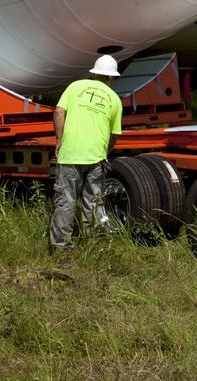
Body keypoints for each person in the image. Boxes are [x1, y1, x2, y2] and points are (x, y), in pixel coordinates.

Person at [49, 54, 124, 252]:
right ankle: (90, 243)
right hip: (97, 157)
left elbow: (58, 112)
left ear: (94, 73)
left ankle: (60, 247)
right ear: (111, 78)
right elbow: (115, 135)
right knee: (93, 202)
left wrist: (59, 140)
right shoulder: (115, 99)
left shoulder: (75, 87)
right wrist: (104, 152)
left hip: (70, 154)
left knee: (66, 202)